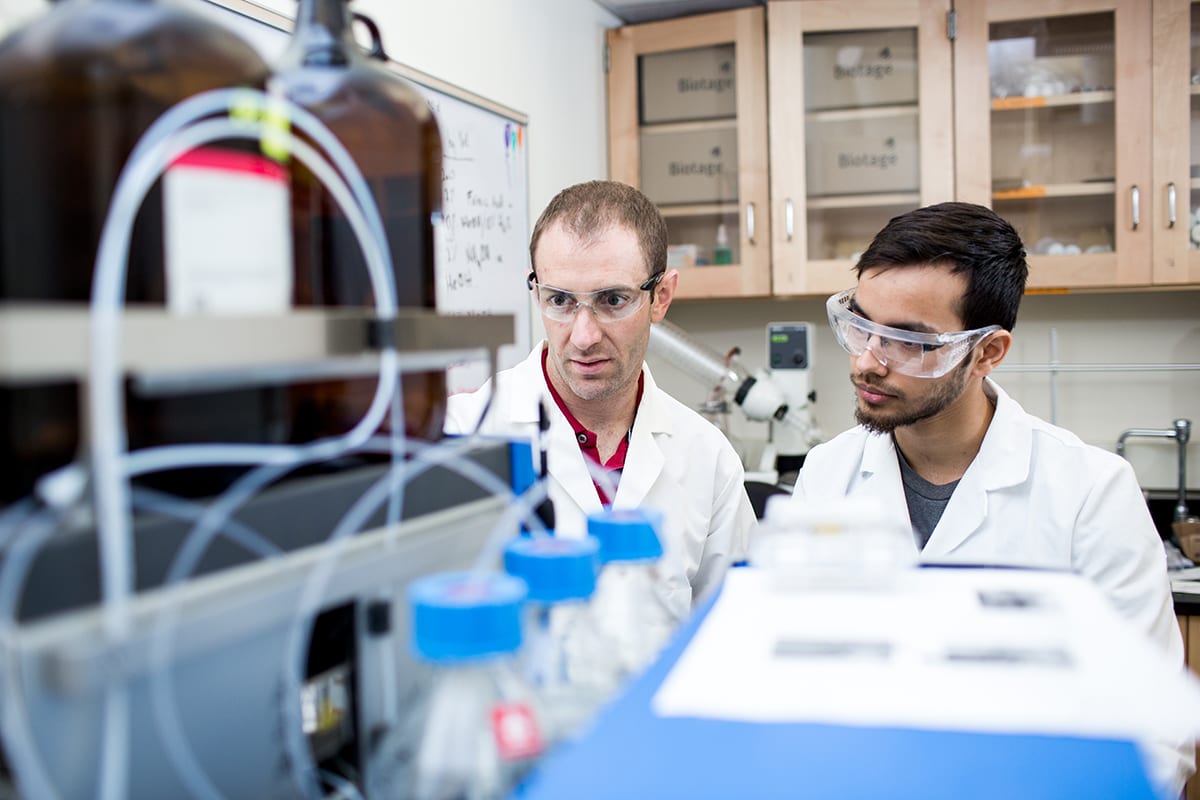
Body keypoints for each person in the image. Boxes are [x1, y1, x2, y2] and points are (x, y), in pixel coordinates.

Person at [792, 201, 1191, 794]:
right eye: (863, 325)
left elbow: (1152, 727)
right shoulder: (827, 474)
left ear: (987, 353)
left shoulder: (1091, 493)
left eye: (909, 342)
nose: (866, 362)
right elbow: (794, 674)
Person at [444, 180, 757, 622]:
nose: (584, 336)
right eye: (560, 300)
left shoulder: (708, 457)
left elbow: (734, 635)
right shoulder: (464, 434)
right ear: (537, 294)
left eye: (613, 300)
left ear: (660, 297)